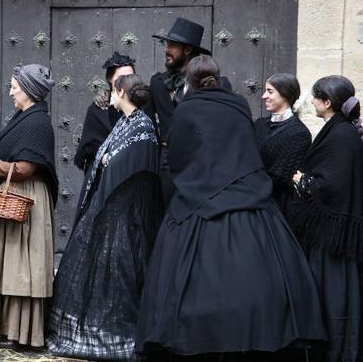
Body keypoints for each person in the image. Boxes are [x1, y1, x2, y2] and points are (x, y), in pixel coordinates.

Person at [136, 56, 326, 361]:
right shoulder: (239, 104)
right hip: (246, 192)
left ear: (191, 81)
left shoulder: (186, 108)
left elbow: (179, 156)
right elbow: (244, 144)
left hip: (199, 196)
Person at [47, 74, 163, 361]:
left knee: (118, 279)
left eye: (113, 89)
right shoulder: (125, 122)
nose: (109, 95)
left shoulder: (143, 126)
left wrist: (110, 162)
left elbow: (138, 173)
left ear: (121, 92)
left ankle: (115, 338)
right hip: (109, 211)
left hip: (124, 218)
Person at [0, 64, 57, 349]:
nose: (10, 92)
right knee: (8, 265)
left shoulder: (37, 122)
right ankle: (7, 327)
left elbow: (26, 167)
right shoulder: (25, 117)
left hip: (25, 199)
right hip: (12, 198)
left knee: (23, 268)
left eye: (14, 87)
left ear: (29, 91)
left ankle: (25, 334)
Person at [288, 75, 363, 362]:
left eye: (315, 97)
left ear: (327, 102)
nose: (311, 102)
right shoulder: (339, 131)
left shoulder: (341, 136)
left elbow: (332, 185)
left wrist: (302, 179)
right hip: (332, 235)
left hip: (334, 237)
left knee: (334, 295)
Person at [150, 17, 231, 206]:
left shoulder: (217, 84)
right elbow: (146, 122)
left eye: (172, 45)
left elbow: (223, 125)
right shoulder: (157, 82)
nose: (166, 49)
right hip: (167, 162)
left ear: (187, 50)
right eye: (166, 43)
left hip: (201, 162)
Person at [254, 74, 311, 216]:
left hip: (277, 208)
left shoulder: (299, 133)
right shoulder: (260, 124)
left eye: (270, 91)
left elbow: (280, 177)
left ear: (285, 94)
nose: (264, 96)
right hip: (251, 199)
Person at [74, 52, 135, 173]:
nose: (128, 82)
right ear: (110, 80)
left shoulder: (144, 105)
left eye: (131, 77)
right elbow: (89, 148)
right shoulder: (97, 110)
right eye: (122, 78)